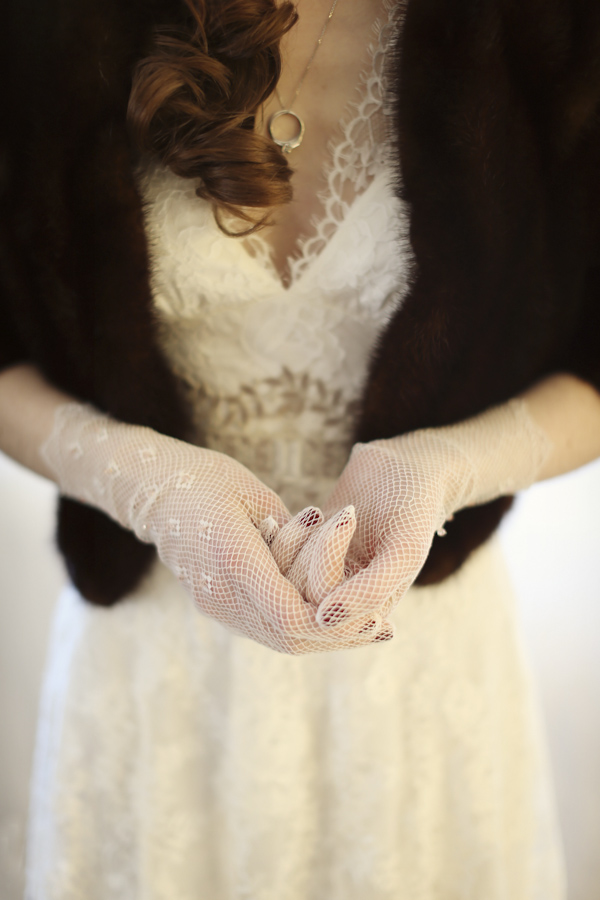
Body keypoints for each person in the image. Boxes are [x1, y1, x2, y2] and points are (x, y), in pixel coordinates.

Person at [1, 0, 600, 896]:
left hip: (422, 657)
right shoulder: (44, 28)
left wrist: (448, 468)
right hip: (154, 658)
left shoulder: (547, 28)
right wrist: (148, 486)